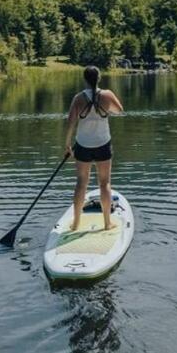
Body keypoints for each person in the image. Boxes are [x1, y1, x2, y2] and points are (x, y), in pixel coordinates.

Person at [63, 65, 124, 232]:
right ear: (99, 79)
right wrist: (106, 108)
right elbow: (119, 110)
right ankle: (107, 223)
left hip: (82, 145)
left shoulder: (78, 98)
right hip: (103, 144)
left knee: (81, 183)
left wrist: (67, 145)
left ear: (85, 79)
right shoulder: (107, 95)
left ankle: (75, 224)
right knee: (105, 183)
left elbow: (70, 123)